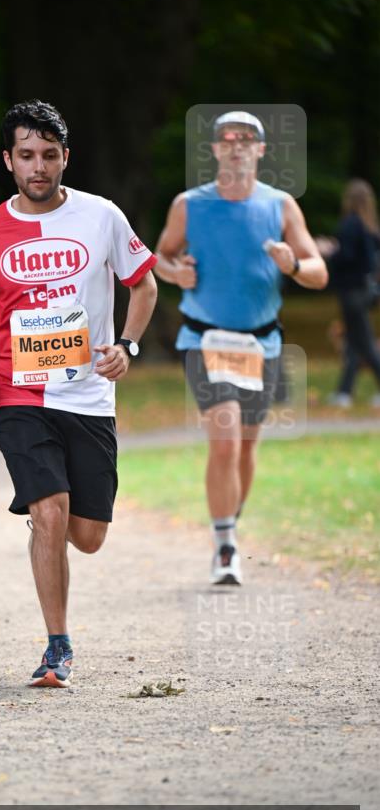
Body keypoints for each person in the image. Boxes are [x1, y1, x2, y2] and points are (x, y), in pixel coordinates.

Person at [0, 100, 157, 687]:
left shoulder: (103, 217)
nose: (37, 166)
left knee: (87, 536)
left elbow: (143, 287)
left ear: (65, 157)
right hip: (17, 389)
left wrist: (127, 345)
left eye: (48, 154)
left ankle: (53, 517)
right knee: (50, 511)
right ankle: (57, 648)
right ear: (8, 161)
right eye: (26, 155)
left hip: (89, 394)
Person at [154, 111, 327, 585]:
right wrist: (176, 273)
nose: (236, 145)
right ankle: (225, 546)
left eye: (246, 139)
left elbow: (318, 272)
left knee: (247, 446)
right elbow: (160, 256)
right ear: (213, 149)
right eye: (227, 138)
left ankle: (230, 519)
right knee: (226, 438)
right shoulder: (189, 204)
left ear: (261, 150)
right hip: (205, 338)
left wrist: (292, 264)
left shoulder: (281, 205)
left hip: (261, 342)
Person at [316, 180, 380, 408]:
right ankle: (344, 393)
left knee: (365, 344)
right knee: (354, 344)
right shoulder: (369, 226)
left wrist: (330, 251)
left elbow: (347, 257)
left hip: (352, 291)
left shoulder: (351, 224)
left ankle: (346, 393)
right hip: (366, 290)